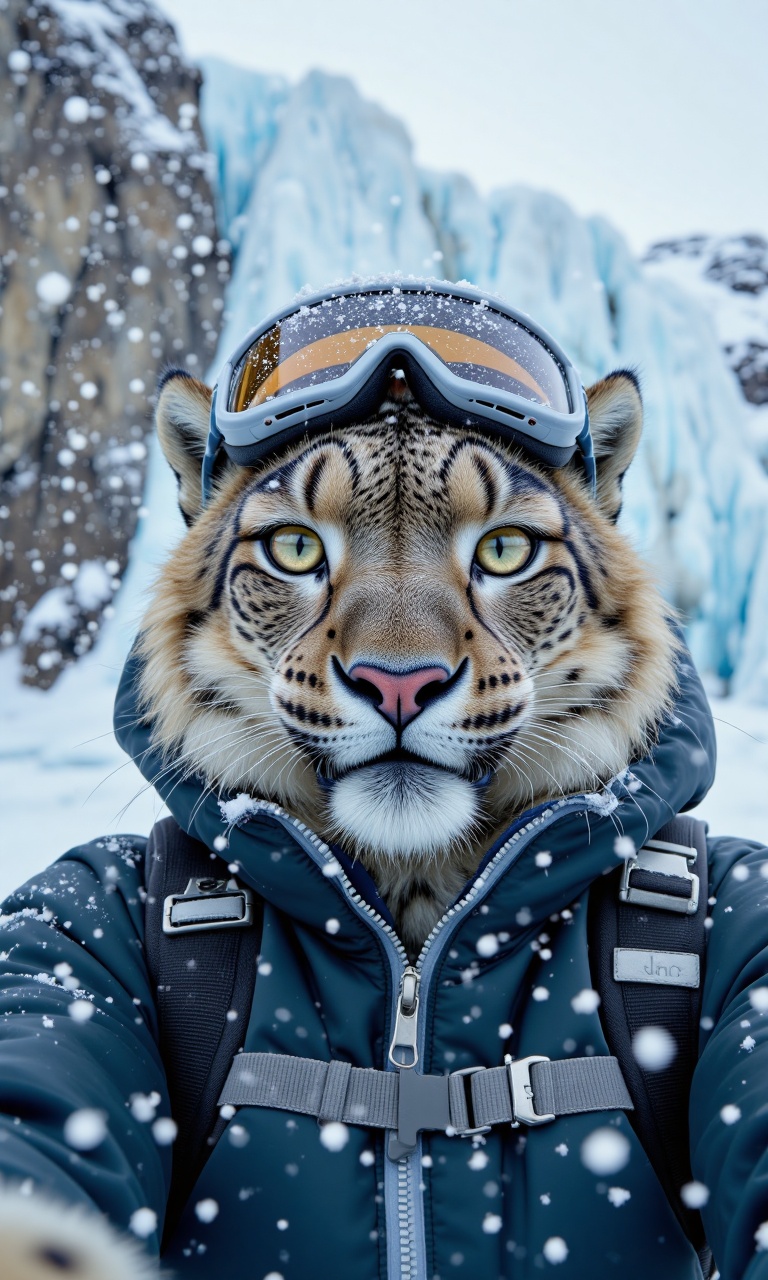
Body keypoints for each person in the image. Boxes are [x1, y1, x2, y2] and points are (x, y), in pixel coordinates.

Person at [0, 279, 766, 1280]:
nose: (398, 657)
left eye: (506, 548)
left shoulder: (726, 932)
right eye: (291, 547)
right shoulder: (100, 930)